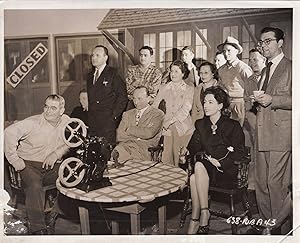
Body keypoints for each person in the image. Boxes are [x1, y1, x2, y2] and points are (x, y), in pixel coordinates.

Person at [4, 94, 70, 235]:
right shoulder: (32, 123)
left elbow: (72, 140)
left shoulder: (66, 121)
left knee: (72, 176)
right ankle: (37, 229)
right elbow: (8, 133)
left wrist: (57, 153)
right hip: (29, 164)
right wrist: (15, 161)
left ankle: (53, 213)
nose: (48, 111)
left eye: (53, 108)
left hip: (50, 165)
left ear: (61, 110)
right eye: (46, 106)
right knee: (34, 186)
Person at [184, 86, 245, 234]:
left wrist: (221, 162)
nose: (205, 105)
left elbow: (240, 152)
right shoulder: (201, 124)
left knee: (194, 176)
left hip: (226, 171)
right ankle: (202, 214)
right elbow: (193, 147)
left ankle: (197, 217)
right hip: (206, 170)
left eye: (210, 102)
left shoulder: (232, 126)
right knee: (196, 171)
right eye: (205, 102)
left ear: (220, 105)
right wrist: (185, 150)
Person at [252, 27, 292, 234]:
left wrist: (272, 100)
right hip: (261, 133)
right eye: (262, 42)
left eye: (268, 41)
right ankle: (266, 227)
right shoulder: (265, 69)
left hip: (280, 136)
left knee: (276, 185)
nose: (264, 46)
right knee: (261, 184)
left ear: (281, 42)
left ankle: (280, 230)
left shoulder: (291, 67)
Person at [152, 60, 194, 167]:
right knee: (169, 133)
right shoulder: (163, 88)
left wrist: (170, 122)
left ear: (183, 73)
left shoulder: (189, 89)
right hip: (166, 124)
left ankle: (176, 164)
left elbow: (185, 109)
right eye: (171, 71)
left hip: (183, 124)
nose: (173, 74)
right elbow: (155, 106)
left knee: (173, 129)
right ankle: (170, 166)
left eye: (176, 71)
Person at [87, 45, 128, 144]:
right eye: (92, 55)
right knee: (93, 150)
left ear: (105, 58)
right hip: (93, 120)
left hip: (107, 120)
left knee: (105, 151)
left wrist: (114, 117)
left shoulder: (113, 73)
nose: (94, 58)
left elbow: (122, 96)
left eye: (97, 55)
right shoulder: (90, 76)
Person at [112, 86, 164, 162]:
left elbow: (149, 133)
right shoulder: (127, 114)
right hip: (126, 147)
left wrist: (129, 129)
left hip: (145, 151)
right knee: (117, 152)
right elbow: (119, 135)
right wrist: (138, 137)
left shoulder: (157, 114)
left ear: (148, 98)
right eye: (134, 98)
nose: (136, 102)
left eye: (139, 99)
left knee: (120, 156)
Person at [217, 36, 253, 126]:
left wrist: (248, 107)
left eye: (229, 50)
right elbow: (220, 87)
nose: (226, 53)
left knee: (240, 133)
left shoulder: (243, 68)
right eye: (224, 51)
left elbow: (252, 88)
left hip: (241, 105)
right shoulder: (221, 69)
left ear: (236, 51)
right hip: (226, 105)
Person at [126, 46, 163, 110]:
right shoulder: (132, 70)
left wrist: (136, 82)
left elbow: (153, 91)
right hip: (133, 103)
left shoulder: (156, 72)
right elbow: (129, 89)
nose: (142, 58)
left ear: (151, 57)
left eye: (145, 55)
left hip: (150, 104)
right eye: (141, 55)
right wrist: (147, 84)